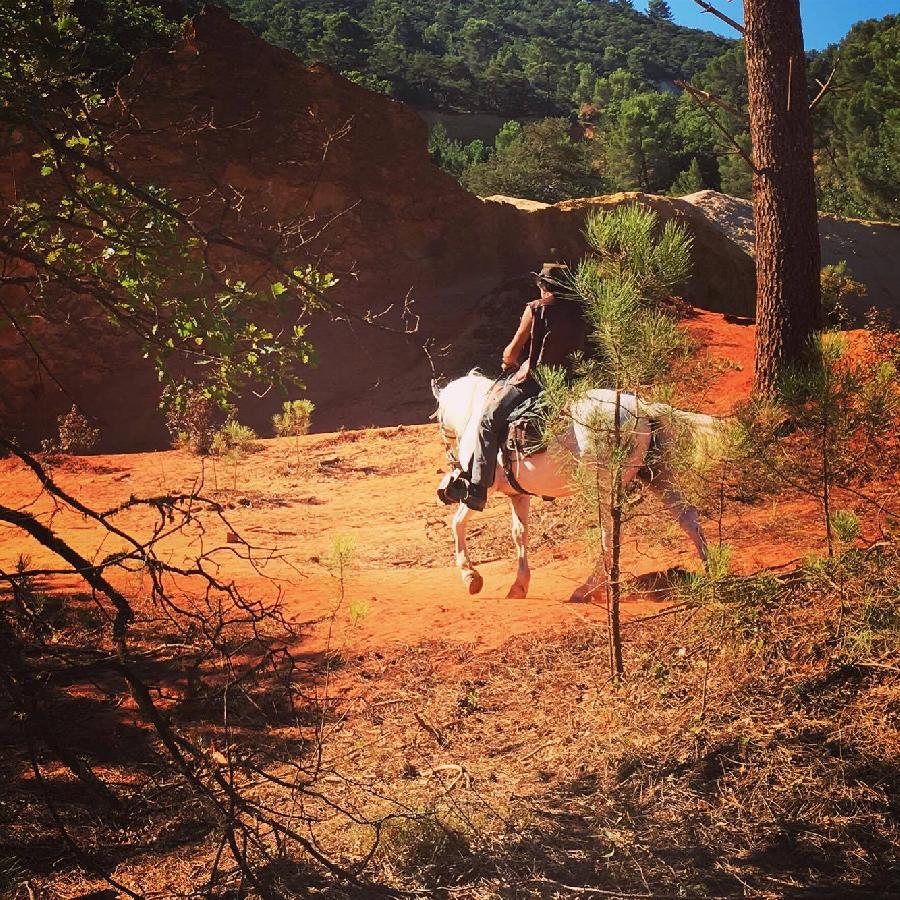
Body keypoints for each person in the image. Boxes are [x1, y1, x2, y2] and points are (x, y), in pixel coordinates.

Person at [443, 262, 588, 511]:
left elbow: (513, 350)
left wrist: (508, 361)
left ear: (544, 287)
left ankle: (478, 487)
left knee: (488, 420)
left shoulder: (535, 309)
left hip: (535, 382)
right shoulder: (580, 310)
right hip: (572, 381)